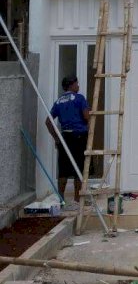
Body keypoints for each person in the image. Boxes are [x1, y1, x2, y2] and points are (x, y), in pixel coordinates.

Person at [46, 75, 90, 203]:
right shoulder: (79, 98)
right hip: (79, 137)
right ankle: (77, 199)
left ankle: (61, 199)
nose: (78, 86)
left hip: (64, 137)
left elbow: (48, 121)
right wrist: (89, 116)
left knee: (63, 169)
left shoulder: (58, 101)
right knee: (79, 167)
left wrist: (56, 138)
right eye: (77, 84)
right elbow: (86, 116)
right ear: (71, 85)